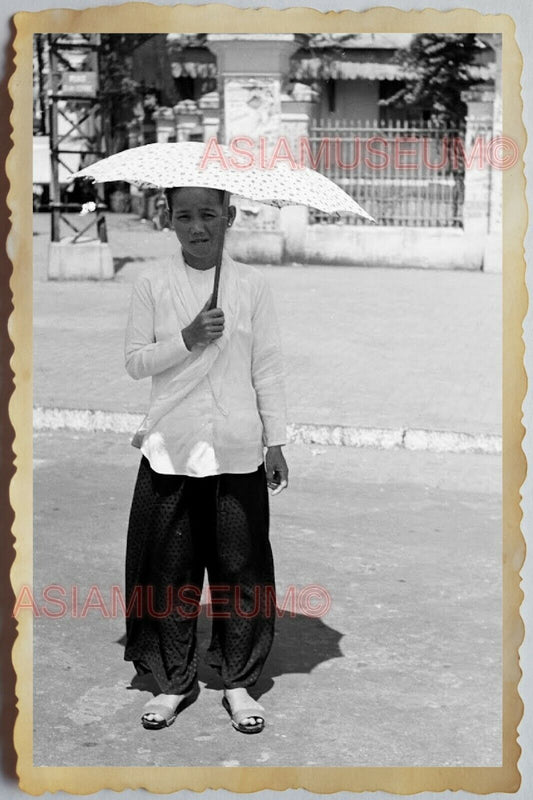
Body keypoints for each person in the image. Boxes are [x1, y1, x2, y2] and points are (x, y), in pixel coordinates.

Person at [123, 185, 289, 734]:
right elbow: (135, 363)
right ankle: (174, 682)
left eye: (210, 215)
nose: (199, 227)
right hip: (172, 451)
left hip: (238, 449)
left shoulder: (253, 286)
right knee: (170, 573)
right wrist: (187, 338)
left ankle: (237, 682)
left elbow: (267, 365)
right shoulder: (150, 283)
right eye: (186, 216)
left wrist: (276, 440)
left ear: (230, 217)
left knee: (240, 571)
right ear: (169, 219)